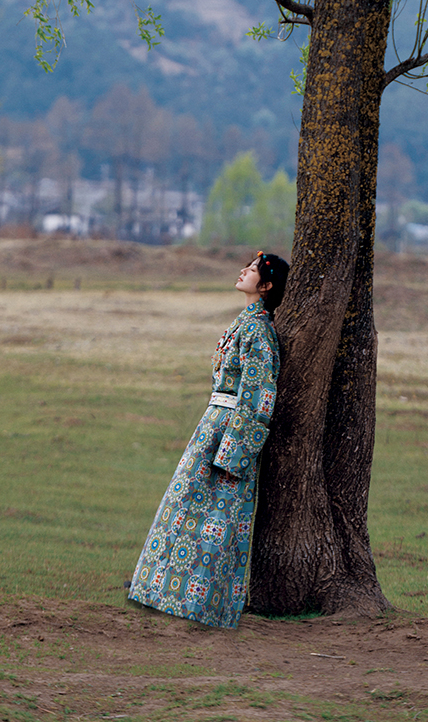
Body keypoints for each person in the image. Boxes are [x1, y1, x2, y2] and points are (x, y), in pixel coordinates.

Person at [128, 251, 289, 628]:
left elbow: (259, 396)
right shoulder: (244, 324)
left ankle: (202, 605)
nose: (243, 271)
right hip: (212, 427)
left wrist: (235, 454)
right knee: (184, 507)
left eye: (252, 270)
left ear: (265, 286)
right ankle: (164, 591)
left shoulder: (260, 332)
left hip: (228, 435)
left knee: (216, 522)